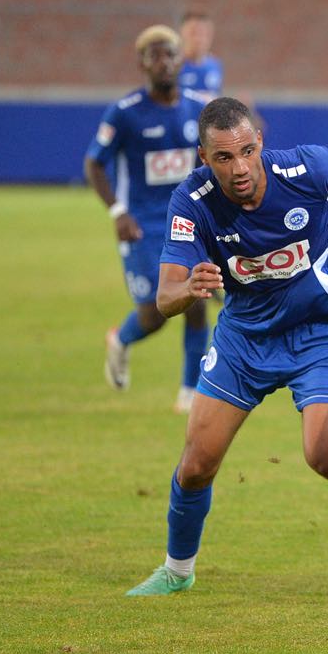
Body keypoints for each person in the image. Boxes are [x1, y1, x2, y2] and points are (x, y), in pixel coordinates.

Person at [125, 97, 328, 596]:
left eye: (247, 151)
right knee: (196, 464)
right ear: (203, 158)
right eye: (223, 158)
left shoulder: (302, 168)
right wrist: (187, 288)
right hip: (245, 338)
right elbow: (166, 293)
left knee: (325, 454)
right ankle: (176, 571)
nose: (239, 167)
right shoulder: (191, 203)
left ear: (260, 142)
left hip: (321, 329)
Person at [85, 25, 210, 414]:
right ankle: (121, 340)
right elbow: (94, 163)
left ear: (180, 60)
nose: (164, 62)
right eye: (154, 55)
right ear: (142, 63)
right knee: (156, 314)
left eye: (170, 54)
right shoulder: (125, 113)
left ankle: (190, 392)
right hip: (142, 226)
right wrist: (117, 212)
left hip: (188, 223)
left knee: (197, 300)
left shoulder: (198, 108)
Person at [178, 11, 223, 102]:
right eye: (193, 33)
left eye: (204, 34)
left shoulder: (215, 65)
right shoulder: (174, 66)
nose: (199, 39)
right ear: (182, 34)